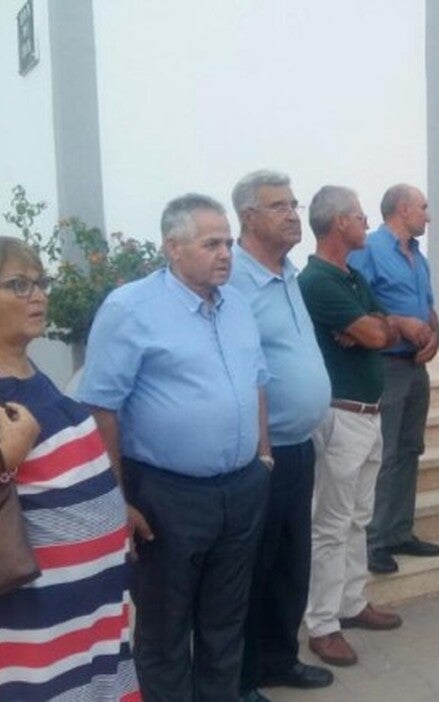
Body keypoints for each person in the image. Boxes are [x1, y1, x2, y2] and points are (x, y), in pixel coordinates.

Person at [78, 194, 271, 701]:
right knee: (164, 630)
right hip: (167, 495)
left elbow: (257, 382)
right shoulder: (130, 309)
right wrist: (117, 498)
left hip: (241, 489)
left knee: (225, 623)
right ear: (173, 247)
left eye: (228, 242)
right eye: (212, 243)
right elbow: (101, 406)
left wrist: (264, 458)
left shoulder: (238, 306)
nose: (226, 253)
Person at [0, 236, 138, 700]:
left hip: (73, 627)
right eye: (19, 285)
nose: (39, 294)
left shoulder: (24, 369)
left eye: (40, 282)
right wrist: (6, 455)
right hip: (15, 634)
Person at [227, 170, 333, 701]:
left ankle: (280, 659)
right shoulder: (235, 280)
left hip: (300, 444)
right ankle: (243, 680)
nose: (294, 213)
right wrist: (262, 448)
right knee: (254, 569)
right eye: (278, 206)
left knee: (292, 561)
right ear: (248, 217)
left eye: (294, 203)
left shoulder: (288, 271)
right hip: (260, 454)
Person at [299, 186, 404, 668]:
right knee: (332, 523)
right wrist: (373, 329)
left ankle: (351, 601)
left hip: (369, 412)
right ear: (340, 222)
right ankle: (322, 624)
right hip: (341, 416)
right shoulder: (318, 280)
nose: (367, 224)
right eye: (361, 217)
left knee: (358, 516)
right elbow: (378, 332)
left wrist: (374, 328)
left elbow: (379, 325)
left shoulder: (351, 276)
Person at [349, 184, 439, 575]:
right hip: (384, 366)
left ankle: (400, 531)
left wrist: (435, 337)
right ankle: (375, 541)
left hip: (416, 366)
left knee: (409, 449)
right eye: (423, 207)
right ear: (403, 209)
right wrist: (399, 323)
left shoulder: (419, 257)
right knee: (384, 455)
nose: (428, 214)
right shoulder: (368, 249)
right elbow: (355, 304)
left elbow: (429, 307)